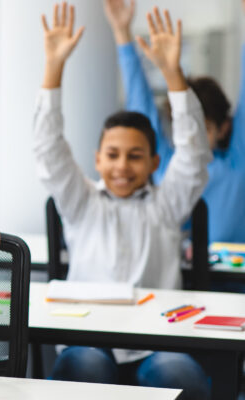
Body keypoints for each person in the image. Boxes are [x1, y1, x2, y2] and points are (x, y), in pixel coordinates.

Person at [35, 4, 211, 399]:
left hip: (157, 344)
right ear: (97, 160)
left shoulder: (169, 205)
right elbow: (48, 147)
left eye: (135, 156)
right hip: (88, 340)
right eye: (112, 155)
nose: (122, 166)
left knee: (182, 375)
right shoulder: (80, 201)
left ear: (154, 162)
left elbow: (195, 152)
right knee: (83, 366)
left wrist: (173, 76)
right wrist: (53, 68)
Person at [104, 0, 245, 244]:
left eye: (205, 128)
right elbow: (141, 109)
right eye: (186, 126)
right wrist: (122, 33)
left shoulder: (237, 163)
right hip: (177, 277)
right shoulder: (166, 164)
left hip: (233, 279)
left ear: (224, 129)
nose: (194, 135)